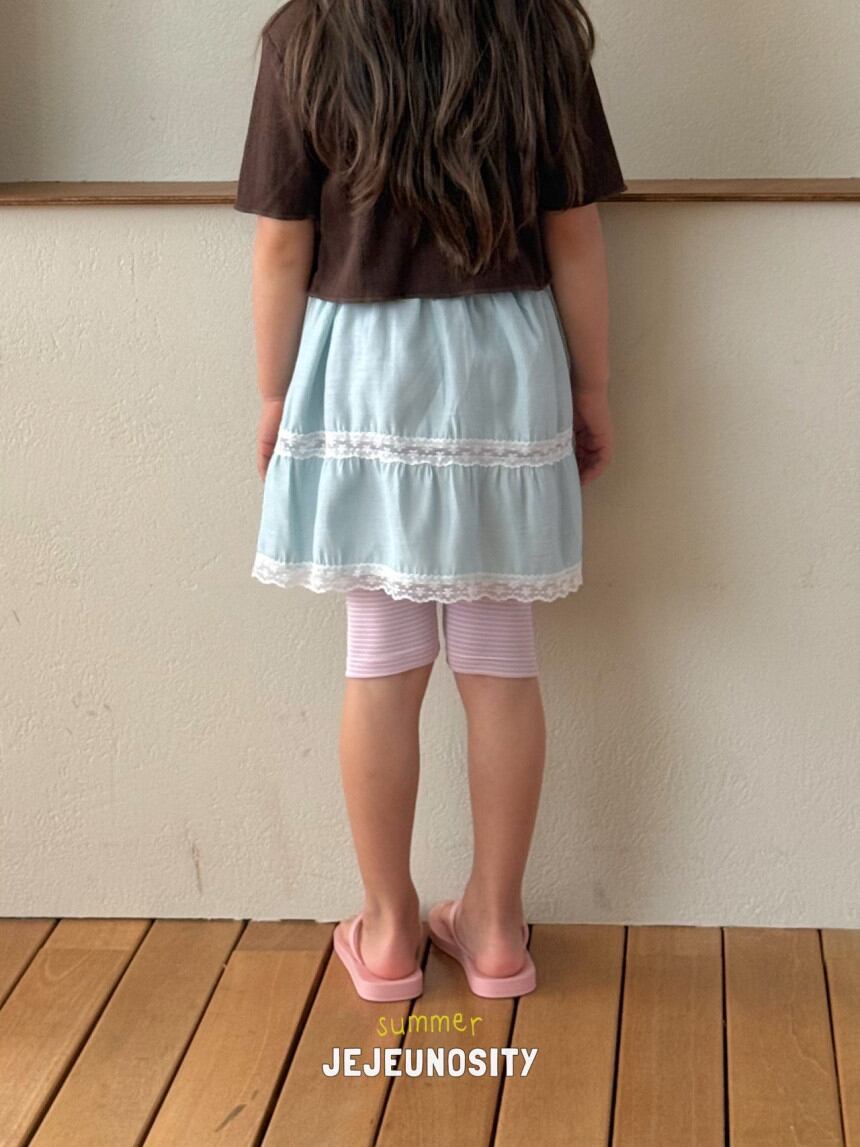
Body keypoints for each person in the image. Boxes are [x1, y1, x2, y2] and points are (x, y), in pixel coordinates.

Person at [234, 0, 626, 1001]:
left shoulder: (307, 32)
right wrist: (591, 386)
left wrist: (275, 395)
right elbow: (574, 232)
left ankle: (388, 931)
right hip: (503, 362)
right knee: (500, 657)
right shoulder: (535, 24)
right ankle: (493, 930)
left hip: (366, 366)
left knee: (381, 658)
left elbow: (281, 246)